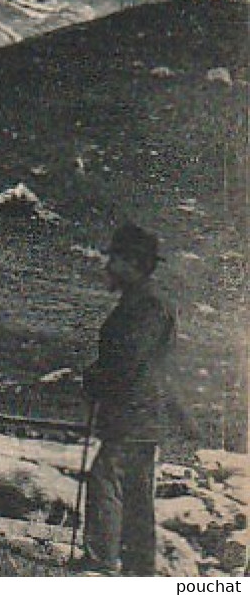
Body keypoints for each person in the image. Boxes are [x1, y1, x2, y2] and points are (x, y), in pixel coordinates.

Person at [79, 222, 178, 576]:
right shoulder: (141, 302)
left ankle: (101, 561)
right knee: (135, 492)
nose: (107, 267)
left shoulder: (148, 306)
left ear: (133, 263)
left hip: (133, 414)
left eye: (115, 260)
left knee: (107, 478)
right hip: (138, 414)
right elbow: (125, 357)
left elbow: (127, 359)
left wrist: (96, 378)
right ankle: (138, 570)